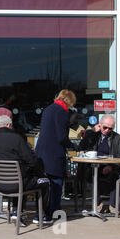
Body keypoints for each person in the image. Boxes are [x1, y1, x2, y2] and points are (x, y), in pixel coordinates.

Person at [0, 108, 50, 226]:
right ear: (8, 124)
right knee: (44, 181)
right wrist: (41, 173)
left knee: (20, 178)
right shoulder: (16, 139)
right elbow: (32, 161)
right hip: (17, 184)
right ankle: (41, 216)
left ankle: (16, 213)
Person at [35, 89, 77, 223]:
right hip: (54, 154)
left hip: (41, 152)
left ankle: (40, 214)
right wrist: (74, 146)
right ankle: (52, 214)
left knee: (44, 185)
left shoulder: (48, 109)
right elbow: (61, 137)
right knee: (56, 184)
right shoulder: (62, 111)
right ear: (68, 101)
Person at [79, 114, 120, 214]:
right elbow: (82, 147)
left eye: (110, 128)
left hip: (110, 166)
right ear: (100, 125)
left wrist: (111, 167)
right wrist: (91, 132)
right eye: (105, 127)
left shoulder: (117, 138)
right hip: (95, 166)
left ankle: (113, 205)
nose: (107, 130)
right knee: (89, 175)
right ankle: (98, 204)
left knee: (115, 176)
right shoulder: (93, 135)